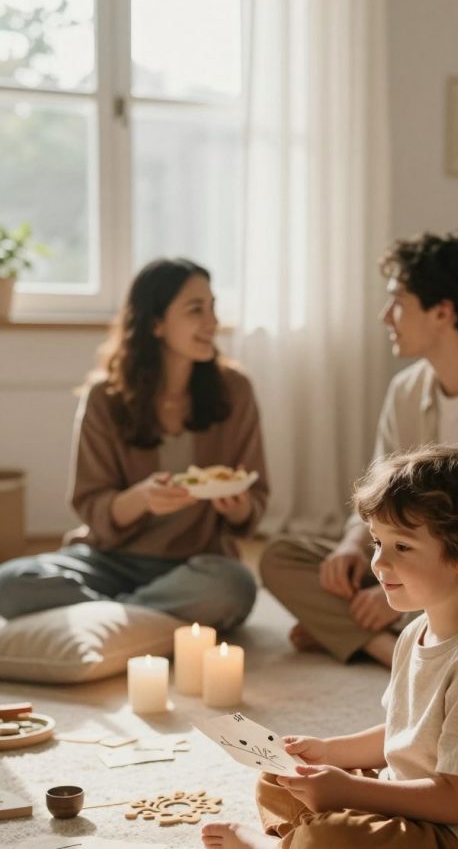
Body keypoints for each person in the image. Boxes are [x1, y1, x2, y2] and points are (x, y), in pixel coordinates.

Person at [201, 446, 458, 849]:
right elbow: (402, 730)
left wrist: (349, 789)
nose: (378, 563)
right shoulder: (417, 630)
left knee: (332, 842)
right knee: (277, 778)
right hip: (410, 802)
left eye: (402, 548)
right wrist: (328, 752)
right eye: (376, 543)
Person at [260, 232, 458, 667]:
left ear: (442, 312)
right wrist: (350, 547)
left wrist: (412, 595)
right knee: (281, 559)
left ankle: (362, 637)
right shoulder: (405, 391)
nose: (385, 316)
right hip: (414, 565)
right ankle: (391, 642)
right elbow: (380, 500)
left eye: (397, 302)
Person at [0, 258, 268, 630]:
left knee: (233, 587)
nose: (212, 323)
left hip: (194, 563)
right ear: (155, 323)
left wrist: (236, 506)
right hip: (110, 560)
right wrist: (141, 498)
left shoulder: (235, 390)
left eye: (213, 308)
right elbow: (90, 503)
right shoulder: (104, 398)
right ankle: (140, 619)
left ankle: (106, 619)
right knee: (9, 584)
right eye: (196, 310)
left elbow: (255, 500)